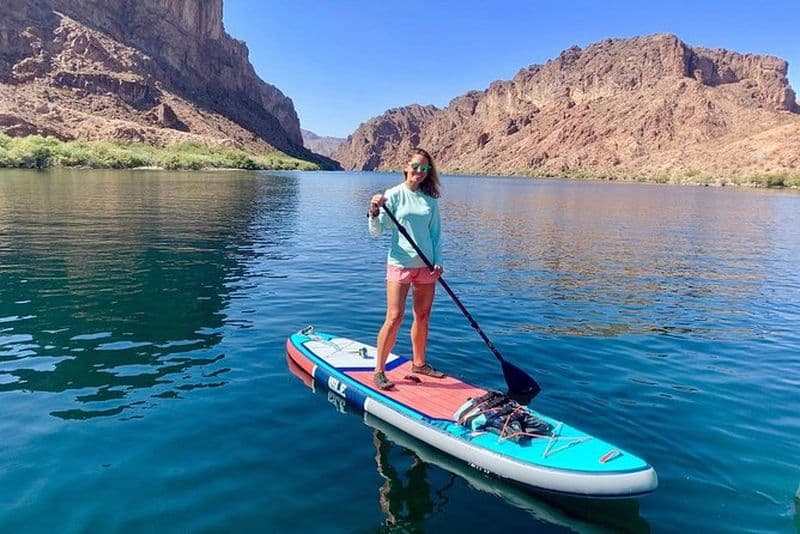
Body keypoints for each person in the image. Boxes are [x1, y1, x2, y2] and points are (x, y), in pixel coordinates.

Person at [367, 148, 445, 390]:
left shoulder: (430, 201)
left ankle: (419, 364)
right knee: (394, 317)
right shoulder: (393, 195)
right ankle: (379, 371)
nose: (419, 172)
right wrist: (374, 210)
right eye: (415, 167)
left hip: (426, 267)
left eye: (424, 169)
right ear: (406, 167)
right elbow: (376, 231)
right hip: (400, 264)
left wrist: (438, 261)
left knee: (422, 317)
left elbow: (435, 235)